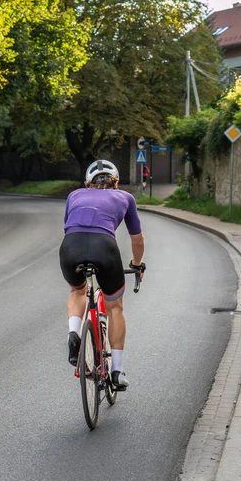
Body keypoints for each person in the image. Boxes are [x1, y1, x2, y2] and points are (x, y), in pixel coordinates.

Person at [59, 159, 145, 390]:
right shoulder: (125, 197)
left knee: (78, 290)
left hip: (70, 246)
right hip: (104, 247)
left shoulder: (74, 195)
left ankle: (73, 333)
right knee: (115, 306)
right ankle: (117, 372)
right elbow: (136, 239)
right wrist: (137, 265)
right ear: (115, 182)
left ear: (88, 184)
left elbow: (70, 225)